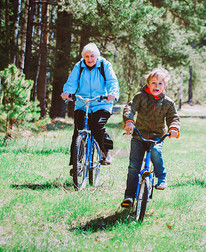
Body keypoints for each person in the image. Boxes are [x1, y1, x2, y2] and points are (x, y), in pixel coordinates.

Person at [121, 68, 180, 208]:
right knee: (133, 166)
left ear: (165, 86)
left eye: (160, 83)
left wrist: (174, 128)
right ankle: (129, 195)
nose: (156, 86)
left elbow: (173, 118)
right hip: (139, 135)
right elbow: (130, 108)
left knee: (155, 152)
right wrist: (129, 121)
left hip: (157, 136)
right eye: (153, 83)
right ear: (148, 84)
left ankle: (161, 177)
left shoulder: (168, 102)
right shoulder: (140, 96)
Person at [61, 43, 119, 169]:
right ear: (83, 57)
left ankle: (106, 151)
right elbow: (72, 82)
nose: (90, 59)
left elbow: (111, 81)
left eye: (92, 56)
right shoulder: (79, 66)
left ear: (97, 56)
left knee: (97, 126)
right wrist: (68, 92)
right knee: (78, 131)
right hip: (82, 102)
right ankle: (76, 165)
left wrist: (112, 93)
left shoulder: (104, 65)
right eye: (86, 56)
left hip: (101, 103)